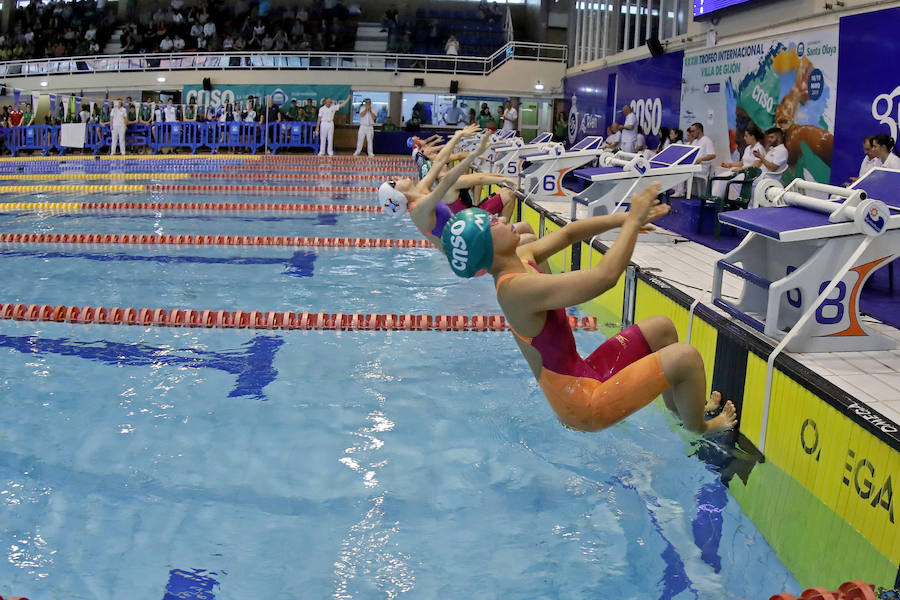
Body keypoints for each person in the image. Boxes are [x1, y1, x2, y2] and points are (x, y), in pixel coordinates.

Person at [440, 183, 737, 435]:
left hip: (586, 373)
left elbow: (570, 234)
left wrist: (625, 219)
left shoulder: (521, 255)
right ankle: (701, 430)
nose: (500, 219)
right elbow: (603, 278)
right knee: (685, 357)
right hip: (582, 405)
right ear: (486, 249)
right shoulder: (514, 289)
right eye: (491, 223)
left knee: (663, 328)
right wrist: (632, 225)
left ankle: (685, 414)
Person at [378, 126, 534, 250]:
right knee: (530, 240)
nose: (397, 177)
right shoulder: (417, 210)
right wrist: (473, 155)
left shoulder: (420, 189)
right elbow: (447, 182)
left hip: (469, 234)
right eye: (393, 182)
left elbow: (439, 161)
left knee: (526, 227)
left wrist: (459, 135)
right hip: (465, 251)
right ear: (398, 195)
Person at [709, 126, 764, 200]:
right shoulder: (748, 148)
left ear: (752, 136)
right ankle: (715, 198)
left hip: (751, 174)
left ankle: (718, 199)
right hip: (742, 172)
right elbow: (742, 162)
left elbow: (755, 166)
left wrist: (741, 169)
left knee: (726, 179)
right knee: (720, 177)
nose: (744, 138)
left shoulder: (759, 148)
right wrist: (730, 165)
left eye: (746, 136)